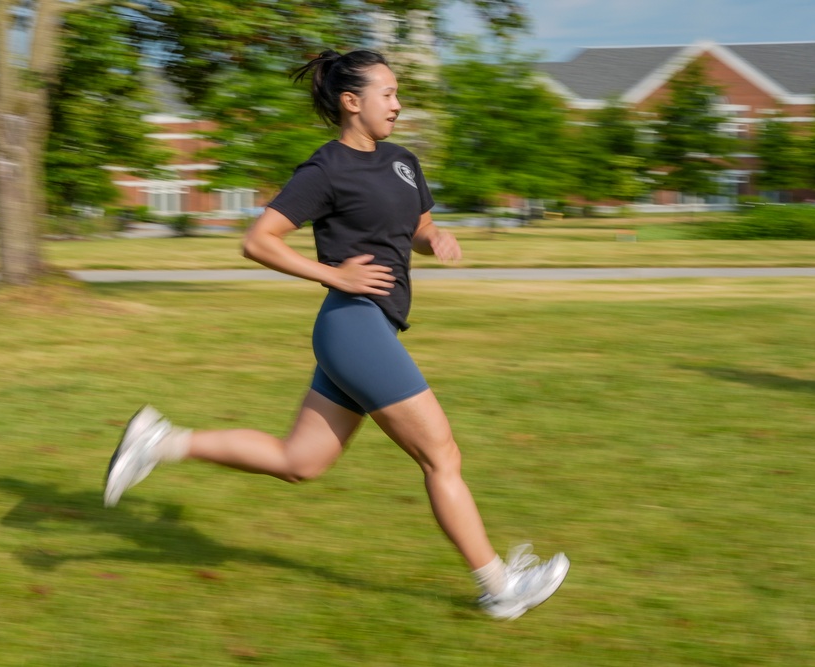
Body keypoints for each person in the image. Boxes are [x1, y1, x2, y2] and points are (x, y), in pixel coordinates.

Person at [103, 49, 569, 620]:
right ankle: (499, 587)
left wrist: (436, 241)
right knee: (441, 455)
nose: (398, 105)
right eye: (388, 94)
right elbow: (259, 241)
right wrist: (333, 273)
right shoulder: (325, 169)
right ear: (353, 102)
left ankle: (161, 441)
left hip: (368, 330)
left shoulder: (403, 162)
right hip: (353, 324)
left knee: (300, 461)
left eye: (398, 94)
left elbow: (418, 228)